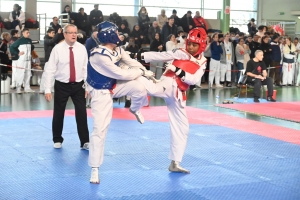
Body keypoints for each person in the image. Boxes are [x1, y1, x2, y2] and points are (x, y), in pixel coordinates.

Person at [133, 27, 208, 174]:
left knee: (183, 127)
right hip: (169, 83)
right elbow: (162, 55)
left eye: (195, 45)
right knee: (151, 89)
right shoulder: (181, 51)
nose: (191, 47)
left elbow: (193, 79)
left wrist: (177, 69)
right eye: (190, 44)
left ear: (202, 45)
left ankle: (175, 162)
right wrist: (139, 56)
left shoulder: (203, 62)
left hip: (179, 94)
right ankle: (131, 79)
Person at [87, 21, 154, 184]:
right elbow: (121, 73)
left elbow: (131, 62)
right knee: (100, 130)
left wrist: (144, 71)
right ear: (109, 35)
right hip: (101, 92)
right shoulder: (99, 55)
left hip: (113, 86)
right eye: (116, 33)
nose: (119, 35)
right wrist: (139, 72)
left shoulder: (118, 50)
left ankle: (135, 109)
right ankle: (95, 169)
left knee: (140, 88)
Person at [43, 24, 90, 150]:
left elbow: (85, 68)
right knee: (59, 113)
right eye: (71, 32)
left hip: (79, 85)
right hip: (61, 85)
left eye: (75, 32)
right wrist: (48, 89)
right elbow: (50, 70)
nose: (74, 35)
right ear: (64, 34)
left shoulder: (81, 48)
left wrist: (87, 86)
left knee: (82, 113)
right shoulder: (57, 49)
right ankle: (57, 139)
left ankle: (85, 141)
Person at [10, 28, 35, 93]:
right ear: (23, 33)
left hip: (28, 60)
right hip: (21, 60)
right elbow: (12, 47)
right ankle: (18, 88)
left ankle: (27, 88)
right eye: (27, 33)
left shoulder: (30, 40)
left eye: (29, 33)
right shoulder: (19, 40)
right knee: (20, 74)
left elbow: (31, 48)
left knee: (28, 74)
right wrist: (17, 53)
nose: (28, 34)